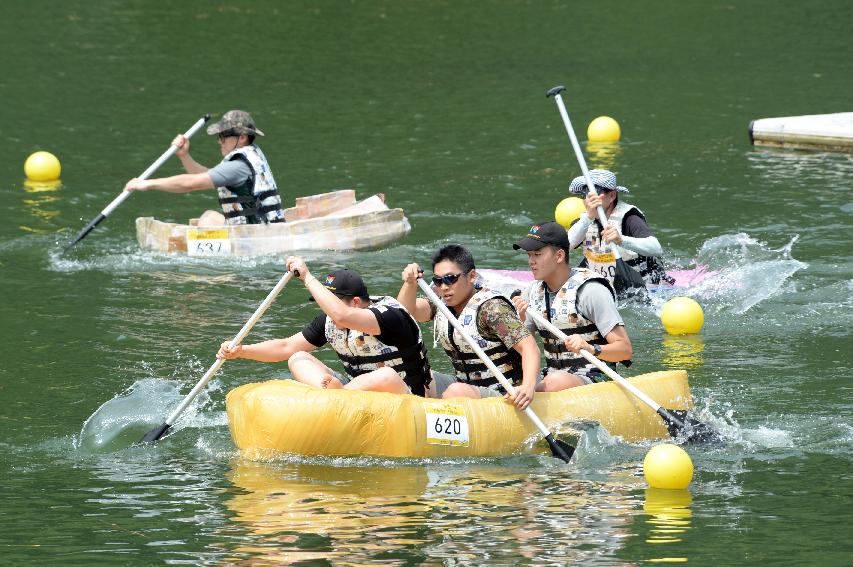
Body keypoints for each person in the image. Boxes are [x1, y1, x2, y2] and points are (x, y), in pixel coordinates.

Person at [217, 257, 432, 396]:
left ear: (356, 302)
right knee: (297, 357)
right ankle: (333, 395)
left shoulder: (390, 316)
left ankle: (337, 395)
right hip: (355, 395)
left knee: (386, 376)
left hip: (405, 397)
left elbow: (343, 315)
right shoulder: (329, 320)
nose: (327, 308)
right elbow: (285, 347)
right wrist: (242, 351)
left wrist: (307, 277)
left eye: (332, 300)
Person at [398, 245, 540, 410]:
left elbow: (529, 347)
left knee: (455, 391)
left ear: (471, 276)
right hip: (463, 385)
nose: (443, 287)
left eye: (450, 278)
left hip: (503, 393)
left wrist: (528, 387)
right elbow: (404, 313)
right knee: (415, 376)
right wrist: (409, 283)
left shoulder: (492, 308)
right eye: (438, 281)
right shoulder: (440, 305)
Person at [512, 221, 633, 390]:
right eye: (529, 255)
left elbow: (625, 349)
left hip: (596, 379)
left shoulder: (591, 291)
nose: (531, 261)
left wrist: (590, 348)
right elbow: (525, 351)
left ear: (559, 256)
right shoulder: (531, 293)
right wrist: (520, 320)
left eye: (537, 254)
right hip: (552, 377)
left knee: (556, 380)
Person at [124, 110, 285, 226]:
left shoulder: (238, 166)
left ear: (242, 137)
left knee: (207, 221)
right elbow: (207, 176)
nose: (219, 141)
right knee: (210, 216)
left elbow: (192, 183)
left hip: (255, 234)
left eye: (223, 136)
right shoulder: (250, 156)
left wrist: (148, 184)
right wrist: (184, 155)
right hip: (259, 226)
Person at [567, 169, 672, 285]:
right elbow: (567, 245)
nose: (588, 199)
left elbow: (656, 248)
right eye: (584, 193)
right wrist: (588, 218)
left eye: (594, 192)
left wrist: (621, 240)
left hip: (640, 284)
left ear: (612, 196)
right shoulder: (584, 222)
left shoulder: (629, 218)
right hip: (603, 285)